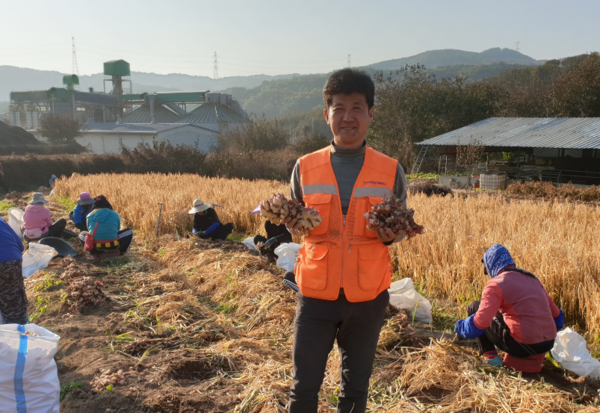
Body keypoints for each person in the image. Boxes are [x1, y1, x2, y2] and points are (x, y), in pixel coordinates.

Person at [285, 69, 417, 413]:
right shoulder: (305, 167)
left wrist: (393, 237)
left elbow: (401, 224)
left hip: (367, 298)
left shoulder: (390, 170)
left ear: (370, 114)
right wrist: (292, 226)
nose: (347, 117)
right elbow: (295, 224)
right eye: (339, 108)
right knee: (302, 391)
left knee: (355, 392)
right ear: (326, 114)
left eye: (357, 108)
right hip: (315, 296)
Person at [455, 244, 564, 372]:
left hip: (521, 346)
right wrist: (540, 335)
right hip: (547, 344)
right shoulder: (532, 278)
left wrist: (460, 327)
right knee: (500, 315)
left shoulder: (496, 284)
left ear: (491, 266)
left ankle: (492, 359)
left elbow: (481, 322)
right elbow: (558, 318)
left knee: (475, 307)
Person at [0, 218, 27, 324]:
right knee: (14, 301)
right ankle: (19, 331)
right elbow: (20, 245)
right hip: (13, 260)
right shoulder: (1, 221)